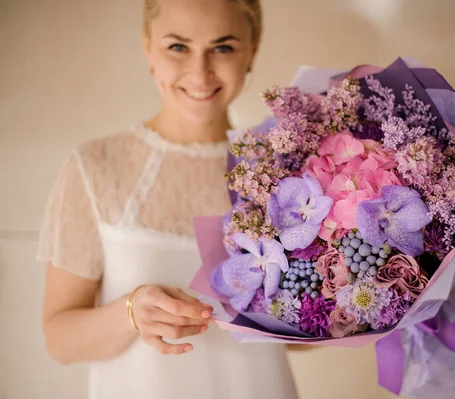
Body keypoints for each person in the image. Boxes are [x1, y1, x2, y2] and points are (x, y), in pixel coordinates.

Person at [37, 0, 299, 398]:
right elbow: (60, 340)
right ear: (148, 47)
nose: (200, 71)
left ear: (252, 49)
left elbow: (296, 335)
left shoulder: (288, 172)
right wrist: (130, 311)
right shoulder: (96, 165)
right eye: (178, 47)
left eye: (223, 47)